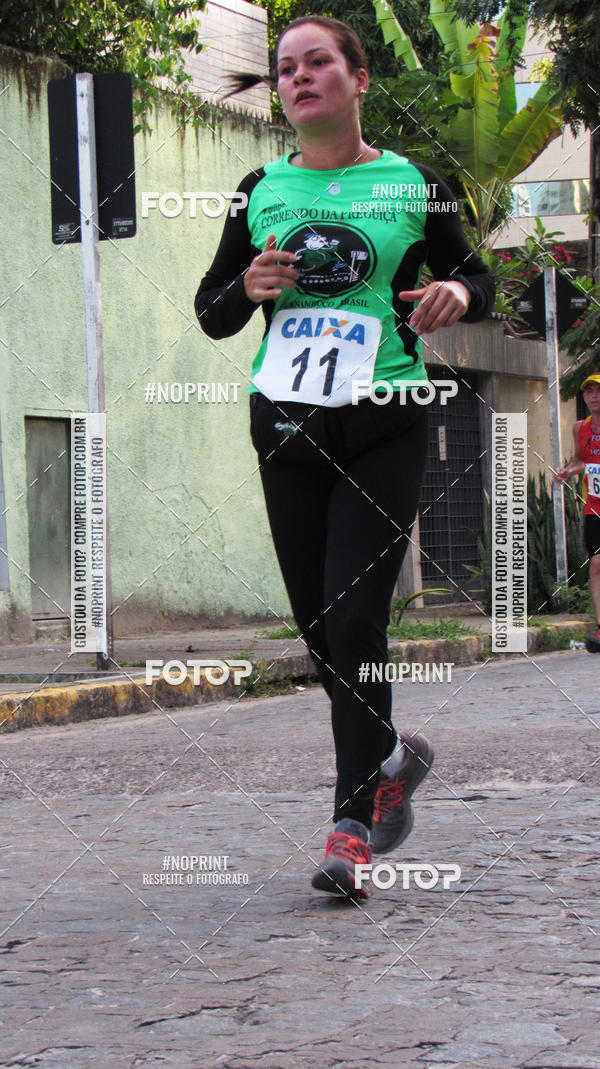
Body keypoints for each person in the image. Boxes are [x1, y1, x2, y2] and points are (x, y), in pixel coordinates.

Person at [195, 15, 495, 898]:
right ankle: (395, 754)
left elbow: (478, 277)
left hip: (386, 418)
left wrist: (452, 290)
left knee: (357, 619)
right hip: (286, 427)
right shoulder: (259, 190)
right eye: (284, 68)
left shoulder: (414, 186)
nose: (298, 77)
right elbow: (212, 310)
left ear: (358, 77)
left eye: (317, 61)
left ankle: (351, 825)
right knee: (323, 633)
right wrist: (245, 287)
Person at [555, 373, 600, 653]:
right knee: (596, 566)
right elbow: (580, 460)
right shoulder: (579, 428)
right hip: (593, 507)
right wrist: (568, 471)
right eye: (589, 391)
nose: (594, 395)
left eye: (599, 390)